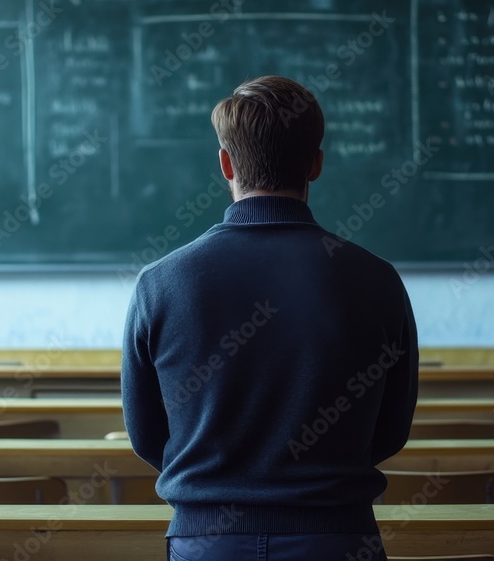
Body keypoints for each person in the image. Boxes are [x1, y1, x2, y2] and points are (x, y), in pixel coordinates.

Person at [122, 75, 418, 561]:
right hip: (336, 538)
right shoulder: (376, 279)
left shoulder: (160, 282)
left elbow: (147, 435)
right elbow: (391, 431)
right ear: (316, 164)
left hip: (206, 540)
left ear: (225, 164)